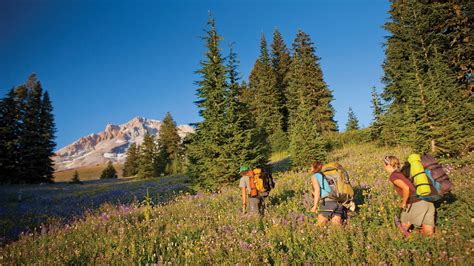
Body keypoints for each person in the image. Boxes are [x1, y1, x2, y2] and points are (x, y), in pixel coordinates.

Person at [383, 155, 435, 236]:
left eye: (385, 165)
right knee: (428, 234)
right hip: (427, 202)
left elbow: (406, 188)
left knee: (402, 229)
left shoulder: (393, 176)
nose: (384, 167)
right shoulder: (402, 174)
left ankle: (407, 243)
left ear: (388, 165)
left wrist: (404, 202)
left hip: (415, 203)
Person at [309, 161, 347, 226]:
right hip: (337, 201)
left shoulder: (314, 176)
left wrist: (315, 206)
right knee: (337, 227)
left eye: (311, 167)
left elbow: (317, 190)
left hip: (327, 202)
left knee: (321, 225)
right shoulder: (324, 176)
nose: (310, 168)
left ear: (314, 167)